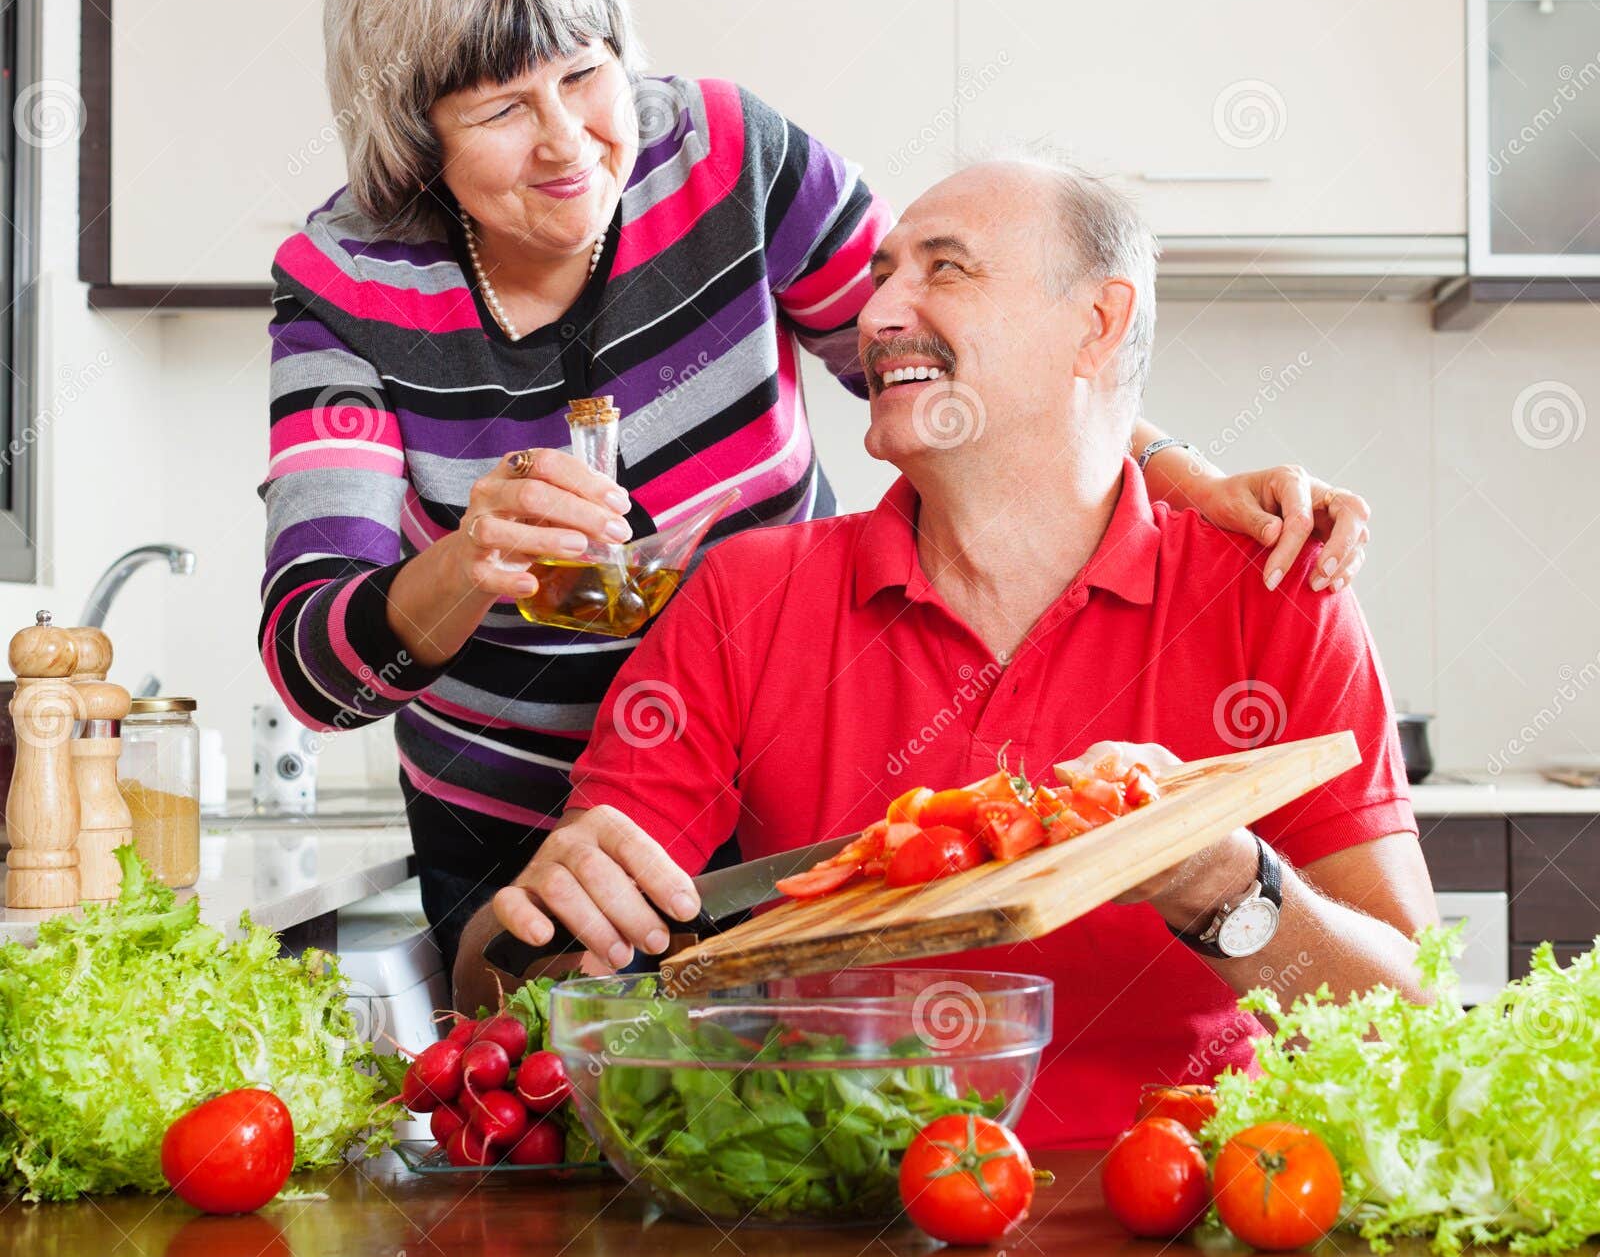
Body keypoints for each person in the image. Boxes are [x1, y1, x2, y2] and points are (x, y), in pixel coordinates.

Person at [259, 0, 1374, 974]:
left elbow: (946, 357)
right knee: (567, 1080)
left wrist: (1187, 478)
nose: (567, 141)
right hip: (525, 828)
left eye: (583, 75)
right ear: (416, 134)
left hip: (774, 776)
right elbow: (313, 667)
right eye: (501, 109)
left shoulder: (725, 155)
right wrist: (464, 566)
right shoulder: (343, 282)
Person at [467, 156, 1436, 1149]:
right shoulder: (744, 598)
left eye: (944, 270)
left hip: (1190, 1224)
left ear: (1096, 325)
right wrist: (541, 926)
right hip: (841, 1224)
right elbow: (504, 987)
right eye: (882, 276)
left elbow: (1405, 1021)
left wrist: (1223, 884)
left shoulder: (1275, 591)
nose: (879, 314)